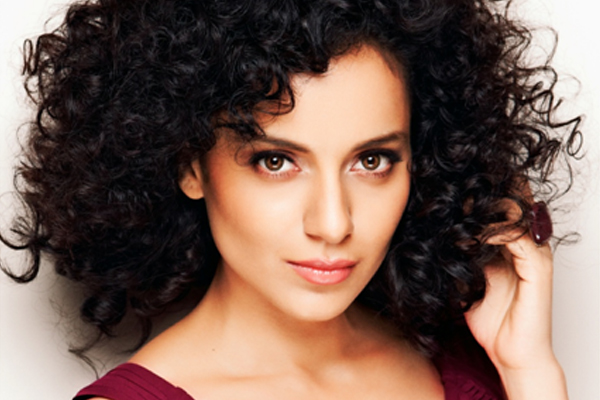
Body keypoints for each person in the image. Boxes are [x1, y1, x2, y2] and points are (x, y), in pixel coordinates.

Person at [0, 0, 583, 399]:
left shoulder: (467, 360)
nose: (332, 222)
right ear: (189, 164)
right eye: (276, 161)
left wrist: (528, 369)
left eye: (372, 161)